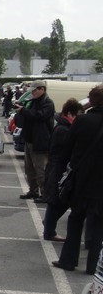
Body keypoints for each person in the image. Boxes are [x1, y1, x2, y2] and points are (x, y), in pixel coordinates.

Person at [53, 85, 103, 274]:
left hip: (82, 181)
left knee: (75, 221)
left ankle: (68, 260)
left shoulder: (82, 121)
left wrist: (61, 175)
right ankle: (93, 266)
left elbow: (66, 150)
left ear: (92, 100)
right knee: (98, 226)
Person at [42, 98, 84, 241]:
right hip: (58, 168)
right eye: (77, 115)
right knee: (58, 200)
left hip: (56, 166)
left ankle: (49, 226)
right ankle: (49, 230)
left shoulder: (62, 125)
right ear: (70, 113)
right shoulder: (64, 129)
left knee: (57, 200)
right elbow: (69, 149)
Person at [13, 80, 54, 200]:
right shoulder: (33, 101)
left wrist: (23, 110)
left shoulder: (48, 103)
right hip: (30, 139)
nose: (33, 93)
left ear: (42, 89)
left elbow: (39, 116)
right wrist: (20, 109)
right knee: (29, 169)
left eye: (35, 90)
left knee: (41, 170)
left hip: (40, 141)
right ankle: (33, 191)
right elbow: (28, 115)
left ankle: (45, 194)